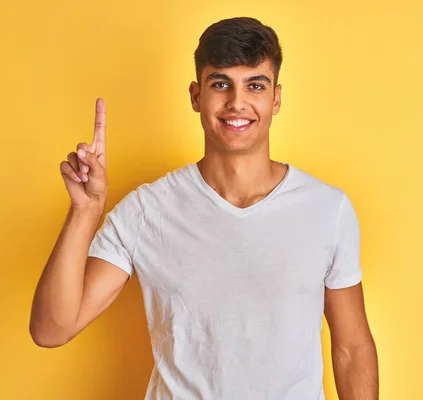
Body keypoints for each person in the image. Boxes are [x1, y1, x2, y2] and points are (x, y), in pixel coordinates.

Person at [29, 16, 378, 400]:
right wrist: (85, 209)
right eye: (221, 84)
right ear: (196, 96)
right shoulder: (147, 211)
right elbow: (51, 329)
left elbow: (352, 349)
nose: (237, 103)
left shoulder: (327, 209)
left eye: (255, 85)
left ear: (276, 98)